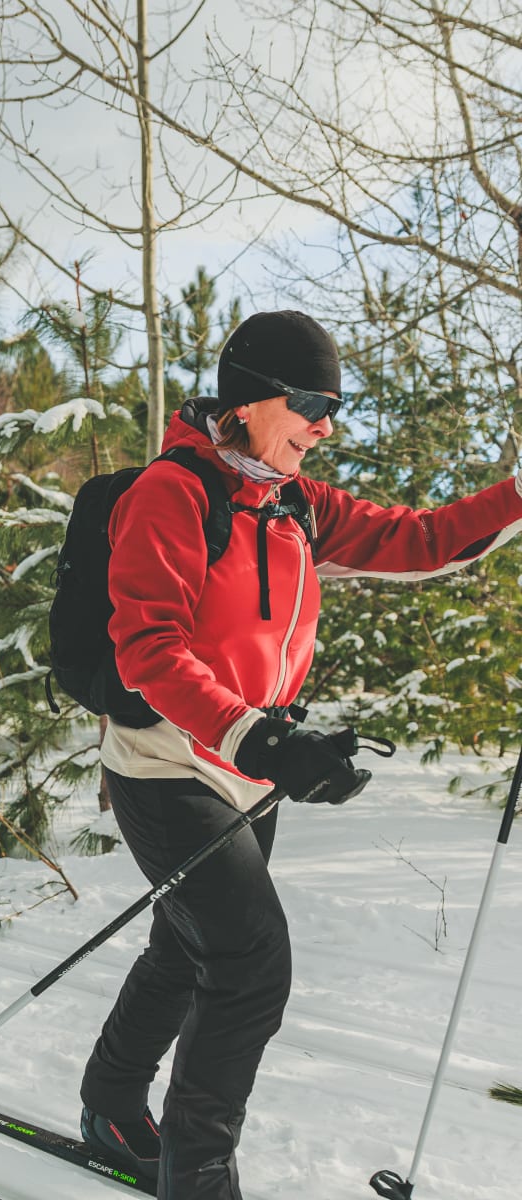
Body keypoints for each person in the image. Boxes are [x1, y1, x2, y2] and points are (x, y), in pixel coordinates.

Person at [75, 310, 522, 1199]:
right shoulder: (172, 493)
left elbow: (423, 541)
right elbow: (150, 651)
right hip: (166, 762)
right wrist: (263, 736)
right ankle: (197, 1179)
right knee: (248, 966)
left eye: (333, 406)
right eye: (312, 402)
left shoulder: (294, 503)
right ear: (248, 401)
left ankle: (111, 1104)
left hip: (247, 767)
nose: (326, 424)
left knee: (186, 946)